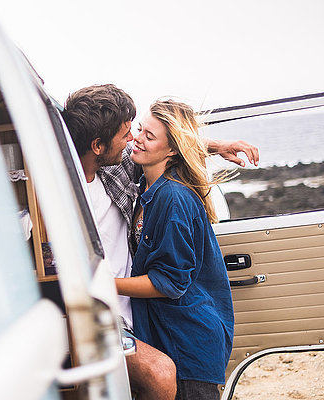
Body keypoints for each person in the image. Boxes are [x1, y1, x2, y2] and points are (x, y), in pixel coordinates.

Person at [61, 85, 258, 400]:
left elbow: (169, 141)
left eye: (139, 133)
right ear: (97, 145)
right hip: (151, 329)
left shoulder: (143, 182)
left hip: (181, 339)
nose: (132, 140)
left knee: (162, 375)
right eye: (130, 132)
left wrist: (219, 145)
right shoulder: (127, 177)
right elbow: (163, 141)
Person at [115, 99, 237, 400]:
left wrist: (102, 285)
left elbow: (168, 282)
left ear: (171, 151)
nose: (136, 138)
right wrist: (216, 145)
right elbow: (178, 143)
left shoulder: (173, 198)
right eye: (139, 129)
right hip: (169, 337)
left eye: (148, 135)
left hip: (188, 345)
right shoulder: (146, 183)